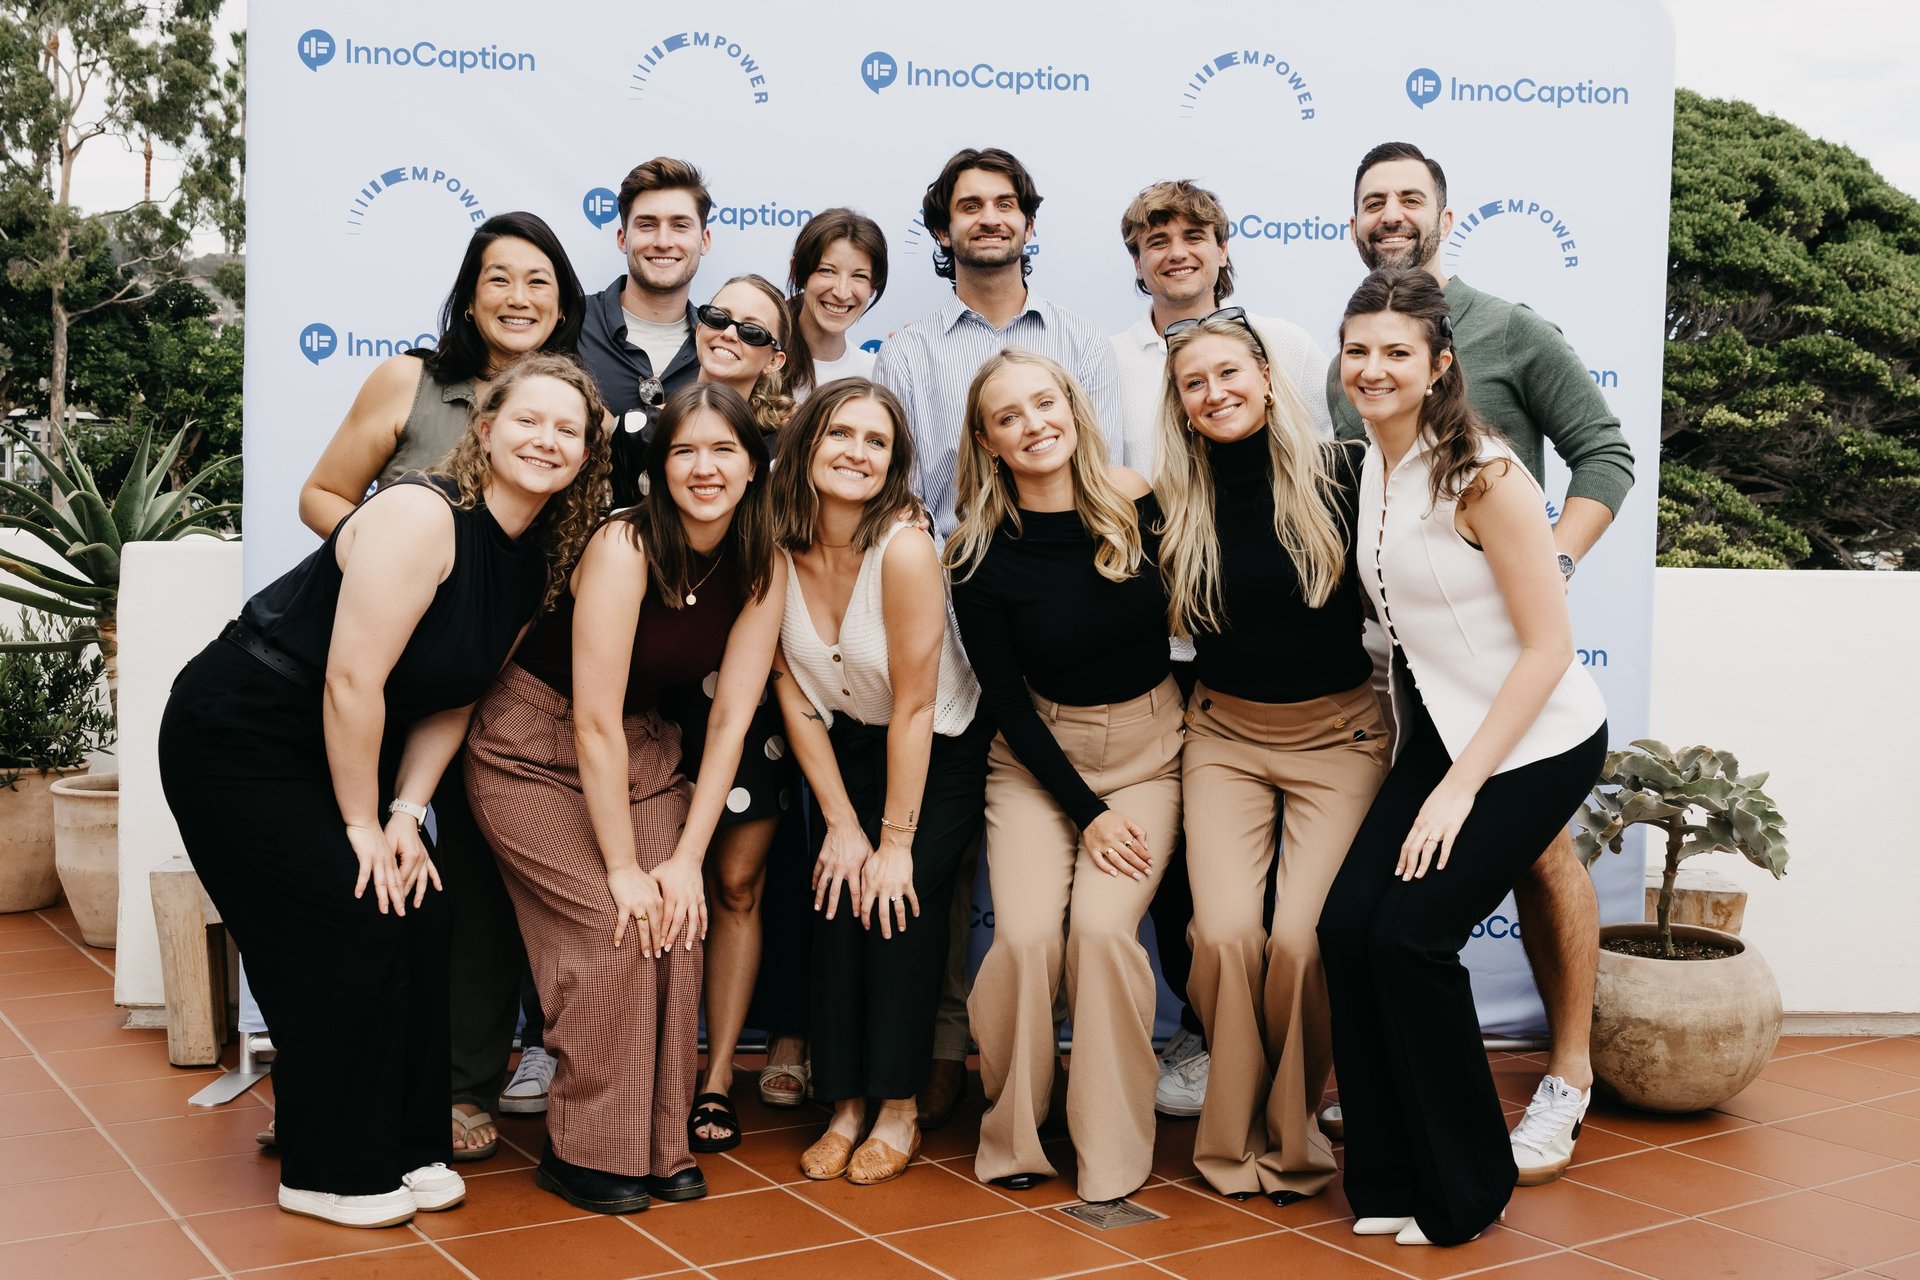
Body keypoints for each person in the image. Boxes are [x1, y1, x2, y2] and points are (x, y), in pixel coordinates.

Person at [160, 353, 608, 1228]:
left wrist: (407, 815)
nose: (546, 440)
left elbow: (456, 695)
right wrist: (362, 824)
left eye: (569, 430)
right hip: (242, 731)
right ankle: (327, 1168)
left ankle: (408, 1145)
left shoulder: (537, 559)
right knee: (352, 911)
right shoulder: (420, 513)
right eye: (528, 420)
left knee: (423, 907)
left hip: (346, 749)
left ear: (589, 455)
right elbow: (351, 684)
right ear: (485, 431)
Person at [1322, 142, 1636, 1183]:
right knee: (1359, 922)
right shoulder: (1370, 437)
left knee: (1459, 909)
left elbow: (1605, 454)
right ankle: (1392, 1148)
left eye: (1411, 196)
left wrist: (1540, 560)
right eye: (1374, 199)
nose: (1392, 211)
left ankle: (1557, 1088)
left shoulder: (1491, 417)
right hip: (1426, 698)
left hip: (1524, 710)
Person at [294, 210, 588, 1164]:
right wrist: (387, 568)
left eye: (538, 281)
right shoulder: (411, 382)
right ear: (470, 294)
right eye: (499, 279)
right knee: (354, 873)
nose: (519, 298)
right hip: (379, 670)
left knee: (471, 889)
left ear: (563, 300)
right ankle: (337, 1082)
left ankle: (464, 1082)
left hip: (494, 679)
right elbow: (322, 494)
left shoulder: (575, 401)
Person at [464, 381, 786, 1214]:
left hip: (643, 753)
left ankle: (658, 1143)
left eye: (724, 450)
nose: (704, 467)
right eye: (684, 451)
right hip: (532, 745)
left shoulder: (763, 561)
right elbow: (592, 721)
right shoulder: (625, 544)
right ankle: (583, 1151)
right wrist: (623, 868)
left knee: (676, 925)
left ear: (754, 465)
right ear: (658, 467)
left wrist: (684, 862)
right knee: (618, 927)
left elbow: (730, 723)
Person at [874, 145, 1122, 1125]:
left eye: (1004, 204)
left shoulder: (1079, 341)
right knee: (936, 851)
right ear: (943, 231)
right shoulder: (908, 349)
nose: (988, 218)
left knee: (1051, 858)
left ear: (1027, 220)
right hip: (940, 629)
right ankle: (937, 1046)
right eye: (968, 207)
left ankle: (1056, 1059)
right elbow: (897, 494)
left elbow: (1109, 475)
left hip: (1055, 629)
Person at [1108, 180, 1336, 1119]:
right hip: (1173, 642)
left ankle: (1304, 1056)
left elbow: (1325, 470)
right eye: (1156, 238)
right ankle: (1206, 1032)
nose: (1175, 250)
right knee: (1195, 884)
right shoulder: (1110, 354)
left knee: (1297, 900)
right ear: (1137, 259)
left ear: (1221, 246)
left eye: (1192, 235)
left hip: (1288, 636)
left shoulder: (1285, 342)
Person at [1159, 312, 1387, 1205]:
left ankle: (1293, 1142)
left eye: (1229, 373)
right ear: (1178, 407)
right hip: (1222, 739)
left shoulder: (1346, 475)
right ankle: (1231, 1133)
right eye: (1193, 383)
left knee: (1299, 941)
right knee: (1221, 936)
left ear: (1265, 374)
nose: (1215, 394)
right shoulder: (1168, 503)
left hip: (1339, 739)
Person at [946, 350, 1180, 1204]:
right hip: (1036, 766)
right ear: (987, 439)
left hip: (1151, 757)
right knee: (1025, 941)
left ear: (1074, 408)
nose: (1033, 425)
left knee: (1105, 934)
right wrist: (1086, 811)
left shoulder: (1138, 502)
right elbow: (1005, 703)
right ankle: (1015, 1127)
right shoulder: (973, 556)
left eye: (1045, 404)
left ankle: (1113, 1145)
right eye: (1009, 416)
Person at [767, 377, 990, 1185]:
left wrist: (892, 841)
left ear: (895, 464)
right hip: (844, 745)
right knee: (835, 893)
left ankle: (897, 1105)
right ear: (806, 446)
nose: (856, 453)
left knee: (894, 900)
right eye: (840, 435)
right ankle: (846, 1104)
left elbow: (918, 702)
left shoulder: (903, 548)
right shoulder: (775, 541)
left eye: (877, 442)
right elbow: (788, 687)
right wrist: (840, 823)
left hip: (939, 744)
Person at [668, 273, 801, 1149]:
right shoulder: (648, 421)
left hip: (753, 693)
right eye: (715, 316)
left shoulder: (798, 444)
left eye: (753, 329)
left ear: (778, 356)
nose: (729, 333)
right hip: (653, 691)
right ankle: (660, 1068)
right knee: (657, 885)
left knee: (736, 885)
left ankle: (717, 1079)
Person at [577, 156, 714, 505]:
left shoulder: (721, 346)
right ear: (623, 237)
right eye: (647, 225)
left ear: (705, 240)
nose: (663, 241)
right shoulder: (571, 322)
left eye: (680, 225)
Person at [785, 208, 890, 399]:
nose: (841, 293)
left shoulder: (876, 374)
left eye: (859, 276)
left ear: (873, 287)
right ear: (797, 273)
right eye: (827, 271)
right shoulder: (763, 361)